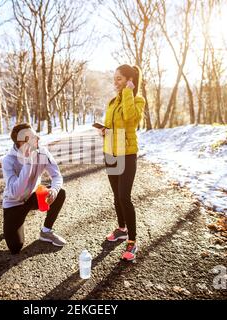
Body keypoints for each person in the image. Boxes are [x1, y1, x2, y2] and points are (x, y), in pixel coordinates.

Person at [98, 64, 145, 261]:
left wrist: (128, 92)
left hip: (127, 154)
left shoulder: (137, 100)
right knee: (117, 196)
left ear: (129, 80)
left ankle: (132, 241)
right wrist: (104, 131)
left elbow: (131, 119)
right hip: (110, 153)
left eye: (119, 78)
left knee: (125, 197)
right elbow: (112, 126)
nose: (115, 82)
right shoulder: (111, 102)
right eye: (114, 78)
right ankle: (121, 229)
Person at [1, 123, 67, 254]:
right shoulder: (8, 160)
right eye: (32, 136)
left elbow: (57, 176)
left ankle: (46, 232)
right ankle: (13, 223)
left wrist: (53, 191)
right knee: (15, 247)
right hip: (14, 203)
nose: (38, 138)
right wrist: (29, 162)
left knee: (60, 193)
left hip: (33, 197)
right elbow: (15, 193)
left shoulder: (42, 152)